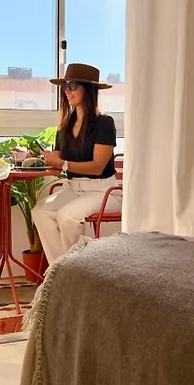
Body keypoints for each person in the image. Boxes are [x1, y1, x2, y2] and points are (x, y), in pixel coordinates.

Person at [32, 63, 122, 264]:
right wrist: (41, 158)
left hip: (103, 191)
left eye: (72, 85)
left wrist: (63, 164)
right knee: (40, 212)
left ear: (88, 89)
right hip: (73, 188)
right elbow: (57, 161)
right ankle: (60, 268)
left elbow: (97, 166)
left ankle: (74, 268)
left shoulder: (104, 123)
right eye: (65, 86)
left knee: (67, 217)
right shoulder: (64, 126)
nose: (67, 91)